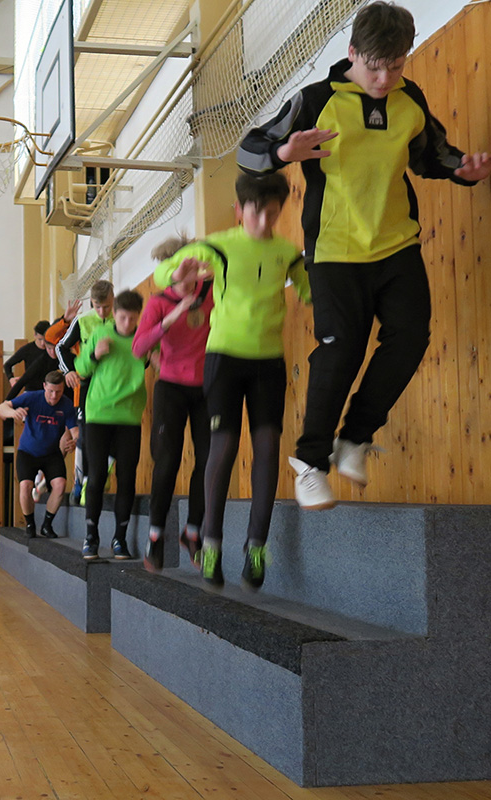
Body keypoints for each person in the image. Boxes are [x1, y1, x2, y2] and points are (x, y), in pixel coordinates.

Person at [238, 1, 491, 510]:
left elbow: (431, 154)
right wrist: (284, 153)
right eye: (375, 67)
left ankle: (354, 438)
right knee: (342, 350)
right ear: (353, 52)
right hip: (335, 249)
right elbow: (250, 149)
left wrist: (462, 169)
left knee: (411, 337)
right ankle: (310, 463)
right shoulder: (317, 100)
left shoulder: (408, 98)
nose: (384, 79)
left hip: (395, 242)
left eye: (395, 67)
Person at [156, 174, 310, 589]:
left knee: (268, 448)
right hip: (224, 358)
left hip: (268, 362)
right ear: (240, 210)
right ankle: (210, 544)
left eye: (273, 214)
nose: (263, 222)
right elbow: (165, 273)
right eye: (256, 213)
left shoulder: (286, 252)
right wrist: (178, 271)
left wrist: (320, 268)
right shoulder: (219, 245)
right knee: (222, 448)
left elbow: (310, 292)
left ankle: (256, 547)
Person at [132, 247, 213, 574]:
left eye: (192, 265)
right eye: (181, 267)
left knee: (209, 461)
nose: (188, 272)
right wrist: (172, 316)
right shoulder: (158, 302)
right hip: (170, 388)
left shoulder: (210, 290)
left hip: (205, 388)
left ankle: (192, 532)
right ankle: (155, 535)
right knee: (167, 461)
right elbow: (139, 347)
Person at [75, 290, 147, 560]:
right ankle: (91, 537)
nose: (127, 323)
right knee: (96, 476)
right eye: (122, 317)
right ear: (115, 314)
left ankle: (120, 539)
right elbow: (81, 368)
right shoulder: (101, 334)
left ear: (138, 316)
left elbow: (158, 360)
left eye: (132, 318)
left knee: (127, 478)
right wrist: (94, 354)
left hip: (129, 417)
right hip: (99, 415)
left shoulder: (143, 338)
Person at [0, 370, 79, 539]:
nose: (54, 396)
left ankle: (47, 524)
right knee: (25, 486)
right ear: (44, 386)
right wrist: (13, 413)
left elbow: (75, 431)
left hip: (51, 453)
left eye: (58, 392)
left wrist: (75, 441)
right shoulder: (32, 397)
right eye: (51, 391)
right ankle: (29, 524)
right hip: (28, 452)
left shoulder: (66, 405)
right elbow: (1, 408)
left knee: (60, 485)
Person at [55, 281, 116, 503]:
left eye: (106, 307)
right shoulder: (82, 321)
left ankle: (98, 477)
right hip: (88, 386)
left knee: (115, 434)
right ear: (92, 302)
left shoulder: (121, 320)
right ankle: (80, 481)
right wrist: (69, 371)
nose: (102, 312)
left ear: (113, 300)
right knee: (86, 435)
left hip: (114, 387)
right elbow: (60, 347)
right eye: (97, 307)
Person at [3, 320, 53, 400]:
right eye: (40, 339)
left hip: (49, 391)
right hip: (31, 390)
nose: (43, 343)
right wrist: (10, 378)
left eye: (45, 339)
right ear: (35, 335)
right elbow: (7, 365)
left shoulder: (52, 350)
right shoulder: (27, 349)